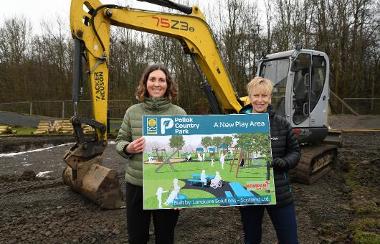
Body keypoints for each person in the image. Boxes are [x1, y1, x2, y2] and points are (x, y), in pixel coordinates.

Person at [115, 64, 186, 244]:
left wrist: (181, 193)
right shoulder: (132, 112)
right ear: (145, 83)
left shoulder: (179, 114)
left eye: (161, 80)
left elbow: (186, 153)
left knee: (165, 237)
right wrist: (127, 148)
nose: (156, 84)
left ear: (168, 85)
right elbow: (120, 140)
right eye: (152, 79)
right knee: (137, 238)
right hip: (137, 185)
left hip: (168, 185)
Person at [239, 77, 301, 244]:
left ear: (270, 98)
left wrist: (285, 162)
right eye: (256, 96)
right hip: (249, 192)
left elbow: (295, 152)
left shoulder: (282, 124)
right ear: (249, 97)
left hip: (279, 192)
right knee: (251, 238)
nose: (260, 100)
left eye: (264, 96)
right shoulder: (236, 124)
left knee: (289, 239)